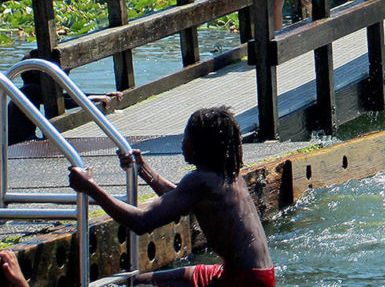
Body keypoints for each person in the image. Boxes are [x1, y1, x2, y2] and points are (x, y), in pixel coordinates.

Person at [68, 107, 275, 286]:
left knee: (139, 285)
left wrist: (89, 186)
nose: (182, 142)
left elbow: (141, 222)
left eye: (186, 137)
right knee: (142, 281)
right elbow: (179, 200)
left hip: (243, 281)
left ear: (199, 146)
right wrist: (143, 169)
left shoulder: (200, 181)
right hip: (257, 275)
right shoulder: (227, 175)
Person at [7, 71, 121, 146]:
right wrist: (93, 98)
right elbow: (66, 103)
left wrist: (101, 95)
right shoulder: (32, 90)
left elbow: (64, 97)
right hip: (20, 142)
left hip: (17, 139)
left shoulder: (26, 90)